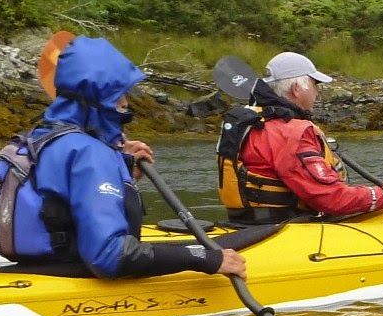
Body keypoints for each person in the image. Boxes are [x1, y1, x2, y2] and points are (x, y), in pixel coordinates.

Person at [22, 35, 246, 280]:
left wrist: (122, 173)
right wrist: (205, 258)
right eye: (120, 94)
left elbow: (61, 200)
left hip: (41, 267)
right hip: (74, 279)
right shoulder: (90, 152)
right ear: (102, 99)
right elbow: (111, 256)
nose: (126, 103)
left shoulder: (38, 138)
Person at [217, 51, 383, 224]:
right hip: (284, 228)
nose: (317, 93)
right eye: (315, 85)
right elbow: (331, 199)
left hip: (246, 224)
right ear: (297, 89)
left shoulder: (253, 123)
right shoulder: (291, 132)